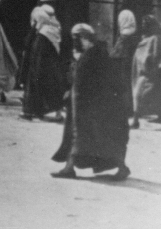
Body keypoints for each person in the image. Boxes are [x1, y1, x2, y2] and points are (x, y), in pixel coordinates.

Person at [51, 24, 131, 181]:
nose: (75, 42)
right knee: (80, 136)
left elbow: (99, 81)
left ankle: (122, 167)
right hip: (84, 104)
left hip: (93, 106)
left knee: (96, 137)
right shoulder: (91, 53)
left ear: (84, 37)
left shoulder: (96, 54)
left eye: (76, 38)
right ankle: (69, 168)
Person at [20, 6, 65, 121]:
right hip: (52, 67)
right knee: (53, 87)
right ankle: (56, 113)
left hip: (39, 67)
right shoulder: (55, 29)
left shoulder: (42, 35)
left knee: (35, 88)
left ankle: (30, 112)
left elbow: (36, 52)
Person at [131, 15, 161, 128]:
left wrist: (152, 69)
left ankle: (136, 120)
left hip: (149, 72)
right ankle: (137, 120)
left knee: (140, 95)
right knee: (138, 95)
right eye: (143, 23)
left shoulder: (155, 38)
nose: (143, 25)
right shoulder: (145, 38)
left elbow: (156, 55)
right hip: (141, 71)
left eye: (146, 23)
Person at [111, 10, 141, 125]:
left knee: (123, 86)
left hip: (123, 64)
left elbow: (117, 52)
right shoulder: (134, 35)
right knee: (129, 86)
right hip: (130, 63)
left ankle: (125, 109)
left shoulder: (124, 35)